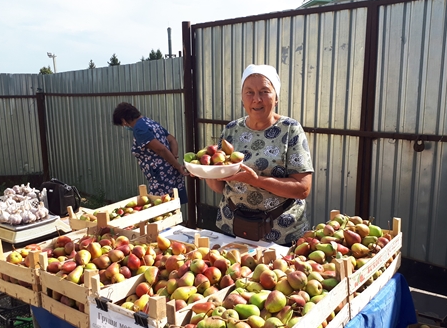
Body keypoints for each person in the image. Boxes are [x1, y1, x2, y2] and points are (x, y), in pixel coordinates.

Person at [204, 64, 314, 246]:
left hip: (280, 233)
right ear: (242, 98)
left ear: (276, 97)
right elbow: (220, 187)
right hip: (232, 228)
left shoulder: (290, 129)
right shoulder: (231, 130)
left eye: (264, 91)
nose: (256, 99)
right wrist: (206, 172)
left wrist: (255, 181)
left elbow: (302, 189)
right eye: (249, 92)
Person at [112, 102, 189, 204]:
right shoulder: (151, 122)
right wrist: (174, 160)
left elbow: (160, 149)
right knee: (172, 206)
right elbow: (172, 140)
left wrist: (177, 165)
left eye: (122, 124)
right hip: (170, 172)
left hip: (161, 176)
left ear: (124, 120)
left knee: (161, 208)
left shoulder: (139, 129)